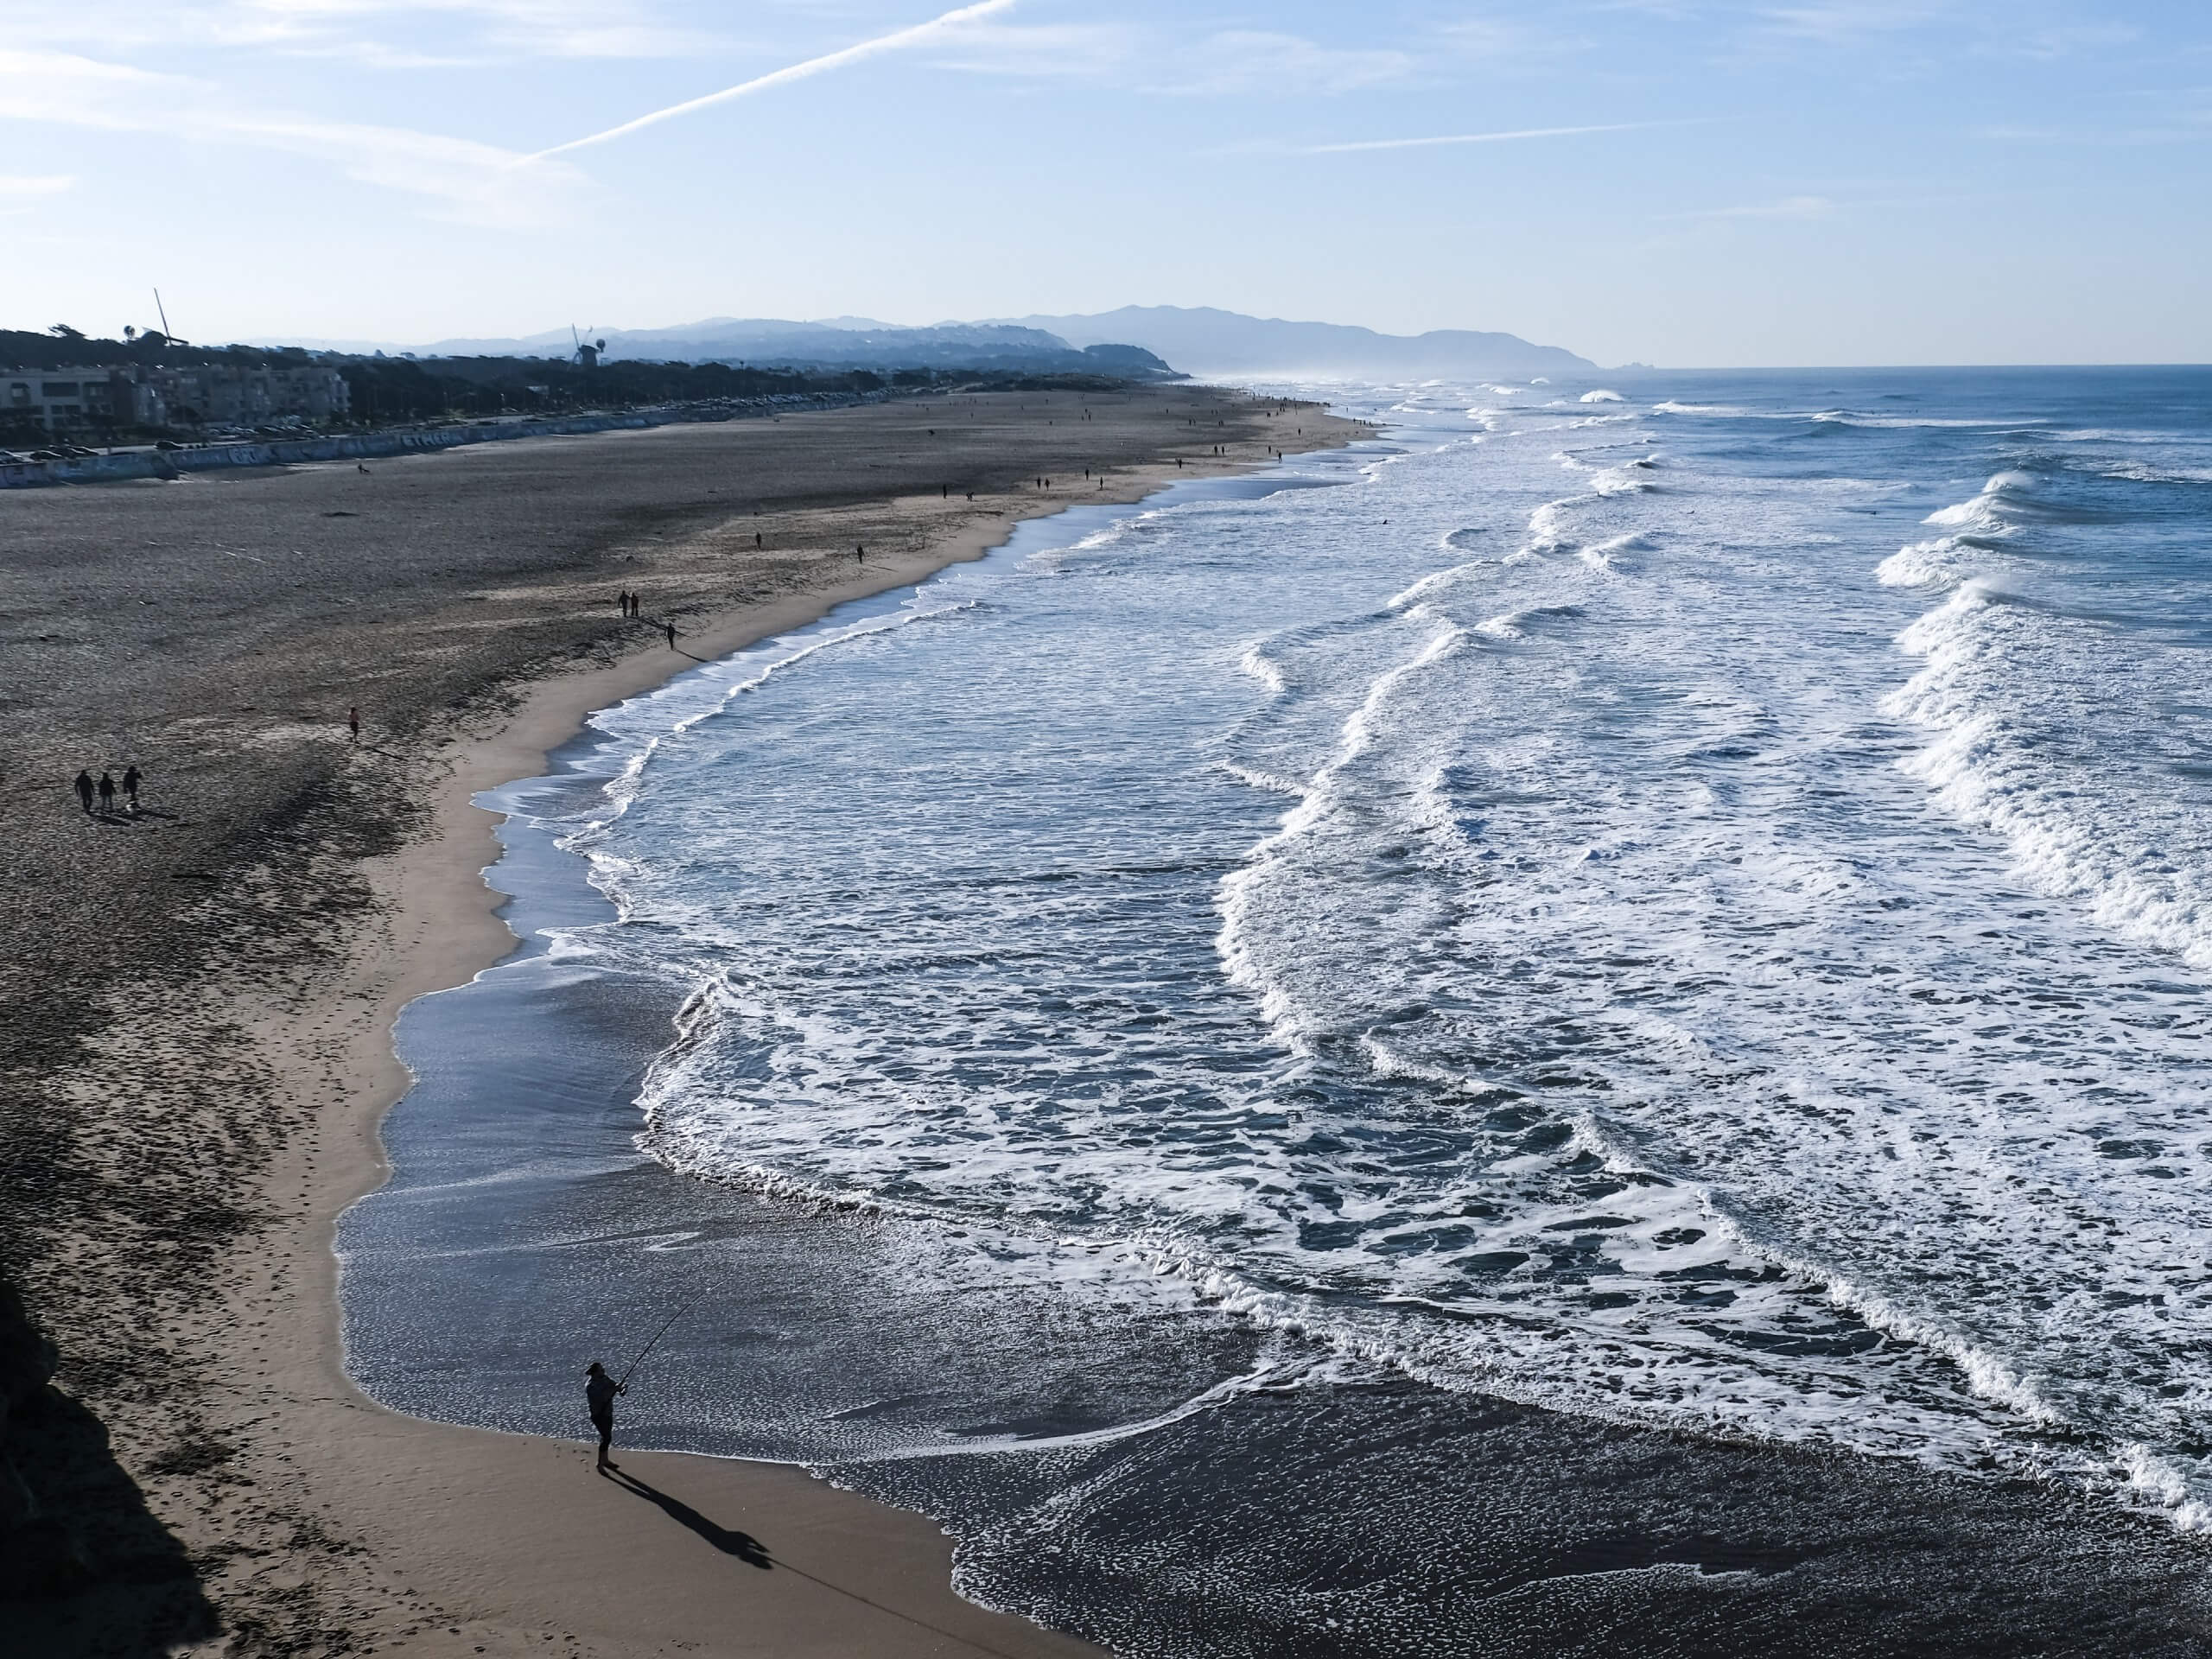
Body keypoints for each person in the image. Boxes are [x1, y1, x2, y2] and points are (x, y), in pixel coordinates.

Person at [585, 1362, 625, 1468]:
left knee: (607, 1437)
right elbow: (603, 1397)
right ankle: (600, 1463)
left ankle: (605, 1460)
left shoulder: (605, 1378)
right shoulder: (591, 1386)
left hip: (607, 1412)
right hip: (598, 1415)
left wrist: (621, 1389)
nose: (603, 1370)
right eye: (600, 1369)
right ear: (595, 1373)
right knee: (606, 1437)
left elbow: (614, 1386)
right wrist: (614, 1389)